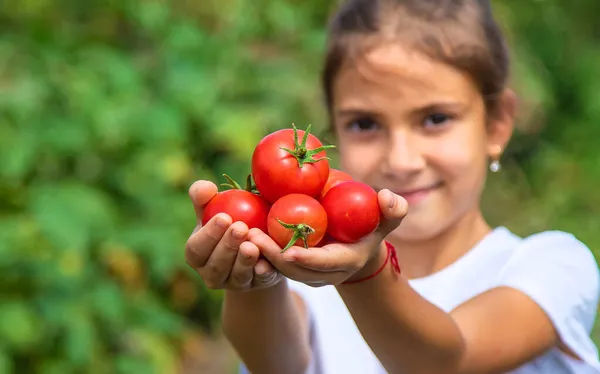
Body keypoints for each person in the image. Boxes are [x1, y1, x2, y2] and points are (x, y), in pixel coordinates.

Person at [185, 0, 600, 373]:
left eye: (436, 118)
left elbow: (448, 361)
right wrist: (253, 276)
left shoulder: (554, 267)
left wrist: (366, 270)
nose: (401, 161)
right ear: (334, 130)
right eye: (365, 124)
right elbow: (278, 365)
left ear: (497, 124)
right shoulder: (305, 284)